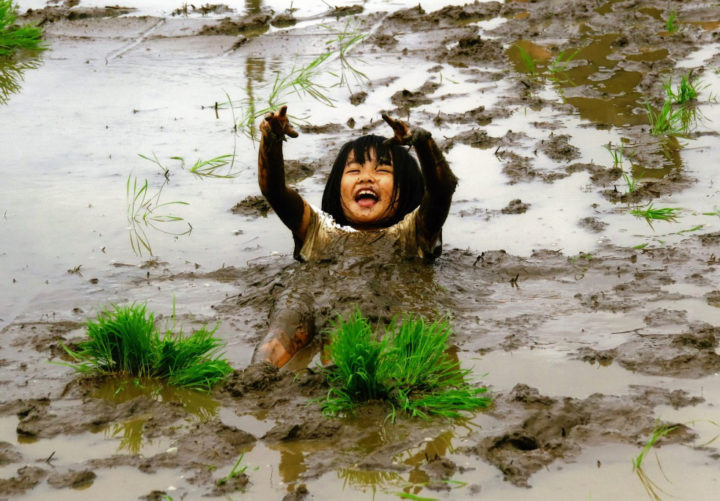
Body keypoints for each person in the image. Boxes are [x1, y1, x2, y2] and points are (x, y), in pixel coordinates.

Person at [252, 105, 457, 367]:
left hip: (388, 307)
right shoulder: (318, 231)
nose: (366, 179)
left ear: (407, 187)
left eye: (382, 171)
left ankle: (353, 380)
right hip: (314, 302)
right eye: (354, 171)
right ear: (337, 187)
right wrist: (271, 139)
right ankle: (258, 377)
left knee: (382, 326)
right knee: (287, 315)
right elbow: (275, 191)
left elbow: (442, 191)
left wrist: (424, 144)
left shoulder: (413, 233)